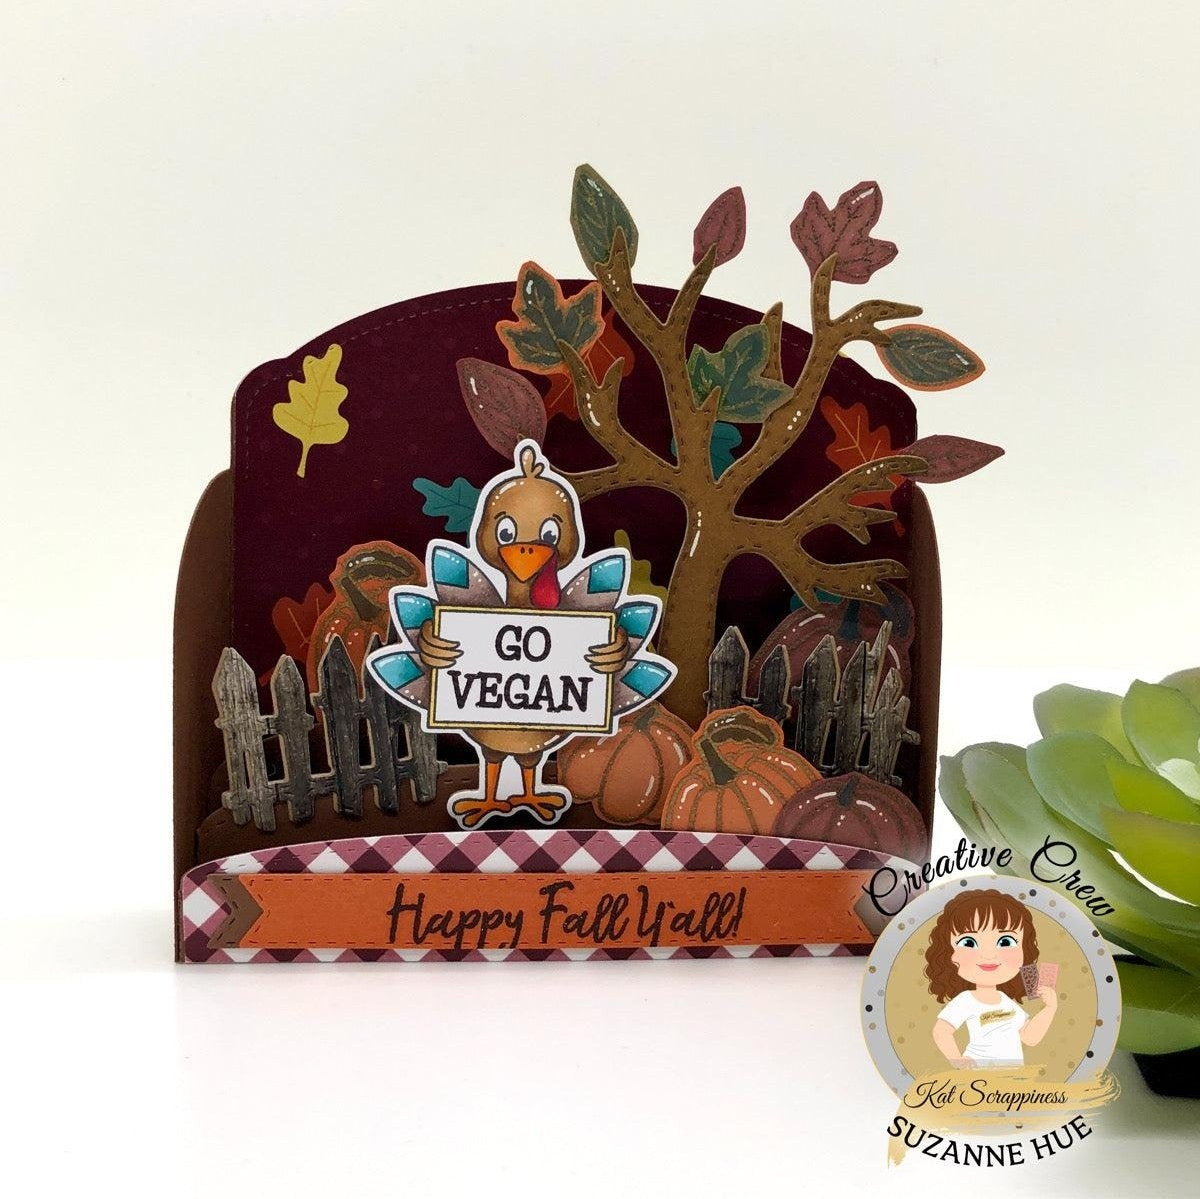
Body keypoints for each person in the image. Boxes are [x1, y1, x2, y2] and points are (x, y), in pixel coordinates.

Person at [924, 888, 1058, 1069]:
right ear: (949, 954)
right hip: (979, 1075)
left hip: (1014, 1077)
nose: (988, 955)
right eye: (969, 942)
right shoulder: (966, 1000)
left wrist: (1050, 1008)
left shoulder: (1006, 1001)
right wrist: (958, 1060)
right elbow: (941, 1031)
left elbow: (1029, 1038)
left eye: (1005, 941)